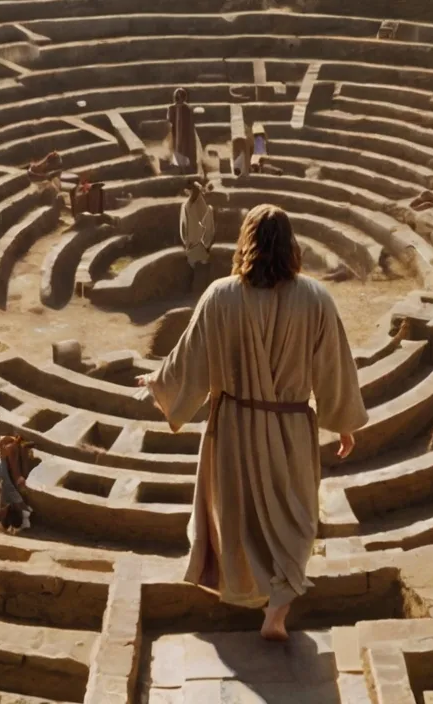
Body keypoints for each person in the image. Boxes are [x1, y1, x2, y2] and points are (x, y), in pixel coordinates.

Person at [138, 204, 367, 641]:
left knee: (239, 518)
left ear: (246, 243)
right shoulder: (316, 298)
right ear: (292, 245)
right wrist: (343, 422)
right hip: (291, 431)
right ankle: (276, 612)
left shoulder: (220, 296)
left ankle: (246, 592)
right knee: (296, 518)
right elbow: (334, 367)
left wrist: (156, 383)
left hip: (234, 431)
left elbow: (190, 363)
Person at [180, 181, 215, 268]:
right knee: (197, 255)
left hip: (196, 238)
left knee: (198, 255)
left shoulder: (195, 203)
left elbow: (206, 218)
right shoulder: (187, 205)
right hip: (194, 238)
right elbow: (184, 223)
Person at [167, 88, 197, 171]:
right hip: (181, 132)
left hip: (180, 131)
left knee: (180, 147)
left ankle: (182, 165)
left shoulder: (173, 108)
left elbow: (169, 119)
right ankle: (182, 165)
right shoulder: (187, 108)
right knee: (182, 147)